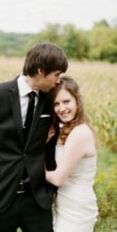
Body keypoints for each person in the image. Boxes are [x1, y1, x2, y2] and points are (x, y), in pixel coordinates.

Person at [0, 43, 68, 232]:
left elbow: (50, 148)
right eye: (56, 74)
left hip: (37, 200)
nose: (58, 81)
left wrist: (51, 192)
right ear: (40, 71)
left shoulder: (51, 100)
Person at [46, 76, 98, 232]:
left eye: (66, 101)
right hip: (66, 205)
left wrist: (30, 167)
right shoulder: (66, 130)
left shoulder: (79, 134)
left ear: (77, 101)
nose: (61, 108)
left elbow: (57, 178)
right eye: (56, 104)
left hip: (77, 209)